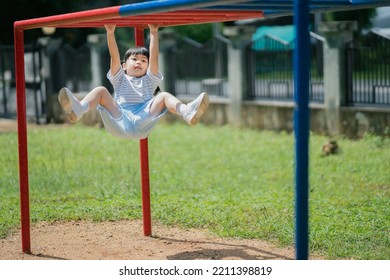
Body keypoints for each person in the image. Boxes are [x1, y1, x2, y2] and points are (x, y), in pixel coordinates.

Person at [58, 24, 209, 140]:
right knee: (101, 91)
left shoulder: (150, 80)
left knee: (163, 96)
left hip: (142, 119)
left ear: (147, 66)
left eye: (143, 60)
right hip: (120, 118)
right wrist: (110, 33)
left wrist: (154, 33)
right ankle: (79, 109)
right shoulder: (120, 78)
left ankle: (187, 112)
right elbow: (114, 57)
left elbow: (155, 58)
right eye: (134, 59)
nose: (139, 62)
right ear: (124, 66)